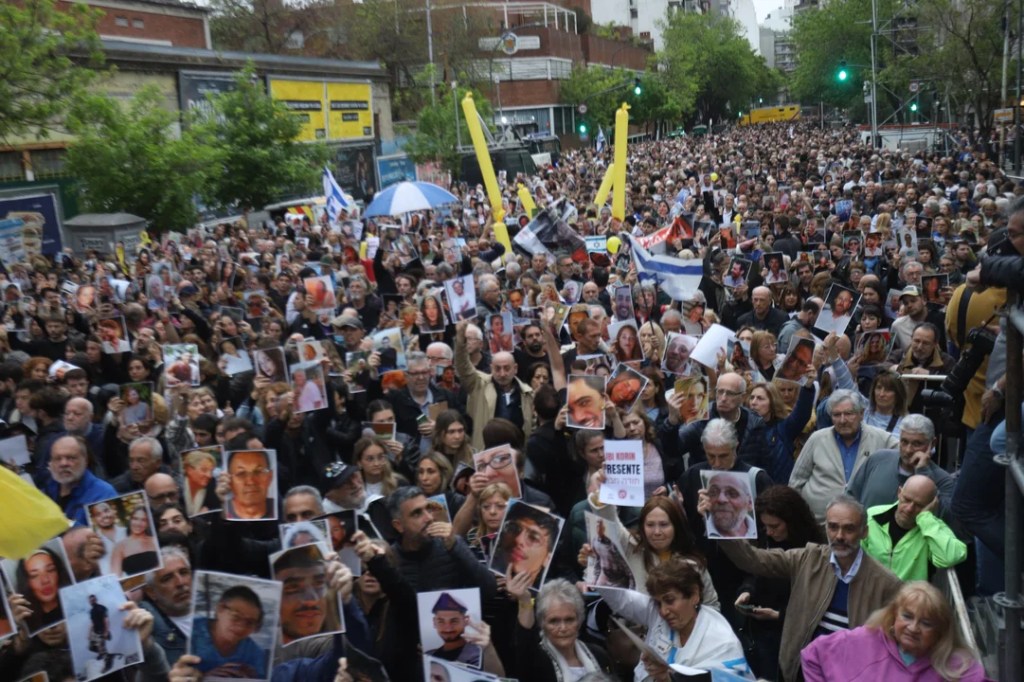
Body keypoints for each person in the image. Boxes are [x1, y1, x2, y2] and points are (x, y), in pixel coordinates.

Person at [719, 495, 903, 682]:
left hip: (849, 674)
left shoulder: (885, 583)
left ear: (865, 532)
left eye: (849, 528)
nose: (839, 536)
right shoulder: (809, 558)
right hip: (801, 670)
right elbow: (755, 560)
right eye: (833, 527)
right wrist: (719, 526)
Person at [597, 558, 749, 681]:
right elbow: (619, 598)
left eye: (669, 600)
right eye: (658, 602)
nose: (663, 611)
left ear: (694, 595)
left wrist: (668, 678)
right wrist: (597, 562)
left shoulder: (723, 643)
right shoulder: (656, 612)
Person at [801, 582, 986, 681]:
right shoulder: (865, 639)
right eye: (907, 616)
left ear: (940, 630)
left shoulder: (958, 667)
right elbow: (812, 655)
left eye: (926, 623)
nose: (913, 628)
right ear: (893, 615)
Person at [790, 390, 898, 523]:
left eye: (848, 413)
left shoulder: (882, 439)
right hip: (818, 525)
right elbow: (796, 481)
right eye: (836, 414)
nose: (842, 420)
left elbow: (906, 461)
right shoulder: (817, 439)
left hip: (865, 526)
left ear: (861, 414)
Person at [862, 475, 967, 581]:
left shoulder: (933, 528)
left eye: (919, 505)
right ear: (899, 492)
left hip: (909, 596)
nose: (909, 509)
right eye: (907, 500)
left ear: (930, 506)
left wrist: (925, 519)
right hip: (871, 593)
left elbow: (951, 556)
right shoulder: (873, 516)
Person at [507, 577, 611, 681]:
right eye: (554, 621)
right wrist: (525, 600)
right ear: (542, 623)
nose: (563, 628)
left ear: (579, 620)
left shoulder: (599, 655)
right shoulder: (535, 660)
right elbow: (525, 640)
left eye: (569, 620)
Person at [191, 585, 269, 678]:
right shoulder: (191, 631)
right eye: (236, 617)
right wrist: (204, 678)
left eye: (249, 623)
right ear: (220, 609)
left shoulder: (254, 653)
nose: (241, 628)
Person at [493, 501, 560, 588]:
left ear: (548, 558)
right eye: (513, 528)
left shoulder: (548, 597)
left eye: (533, 538)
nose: (518, 539)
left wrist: (524, 600)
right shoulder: (482, 574)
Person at [16, 546, 72, 634]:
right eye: (34, 575)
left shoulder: (75, 606)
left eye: (50, 570)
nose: (45, 580)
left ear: (59, 572)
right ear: (26, 582)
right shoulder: (25, 618)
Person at [425, 591, 482, 665]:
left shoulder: (477, 656)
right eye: (441, 621)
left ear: (466, 620)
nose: (448, 628)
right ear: (434, 622)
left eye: (454, 621)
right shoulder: (428, 655)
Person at [699, 470, 757, 539]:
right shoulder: (699, 528)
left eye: (732, 493)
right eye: (713, 492)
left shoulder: (762, 530)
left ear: (749, 502)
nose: (721, 499)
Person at [110, 505, 159, 576]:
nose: (138, 524)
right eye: (135, 519)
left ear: (148, 523)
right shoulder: (120, 546)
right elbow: (115, 578)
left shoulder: (155, 541)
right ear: (130, 520)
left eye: (143, 520)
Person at [225, 449, 275, 520]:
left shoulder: (280, 508)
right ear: (229, 480)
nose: (250, 482)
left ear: (270, 477)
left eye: (258, 472)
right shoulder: (221, 511)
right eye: (241, 473)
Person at [88, 593, 111, 662]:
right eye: (91, 600)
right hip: (95, 631)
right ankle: (102, 654)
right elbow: (92, 623)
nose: (92, 601)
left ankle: (107, 660)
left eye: (93, 600)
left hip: (102, 631)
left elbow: (106, 620)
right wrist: (89, 633)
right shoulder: (91, 611)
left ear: (96, 600)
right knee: (92, 647)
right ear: (89, 602)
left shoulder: (102, 608)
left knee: (101, 647)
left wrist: (106, 632)